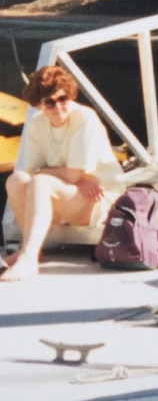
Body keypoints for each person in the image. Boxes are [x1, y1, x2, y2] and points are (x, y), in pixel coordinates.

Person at [0, 65, 123, 281]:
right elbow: (27, 171)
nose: (58, 107)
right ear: (40, 106)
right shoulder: (37, 122)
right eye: (50, 102)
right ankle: (28, 250)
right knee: (16, 181)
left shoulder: (85, 118)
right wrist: (73, 177)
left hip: (98, 198)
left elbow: (73, 175)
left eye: (63, 99)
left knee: (40, 183)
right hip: (69, 191)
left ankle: (28, 259)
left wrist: (74, 177)